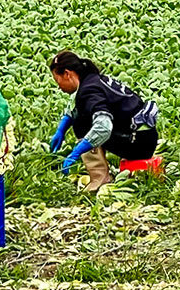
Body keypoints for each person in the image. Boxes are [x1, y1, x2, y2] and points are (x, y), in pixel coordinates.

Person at [48, 51, 159, 192]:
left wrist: (76, 152)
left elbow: (104, 127)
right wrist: (61, 129)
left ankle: (100, 180)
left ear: (67, 74)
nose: (59, 87)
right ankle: (102, 175)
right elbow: (76, 105)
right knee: (82, 116)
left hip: (138, 144)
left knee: (82, 124)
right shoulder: (93, 79)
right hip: (146, 137)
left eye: (58, 81)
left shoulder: (89, 91)